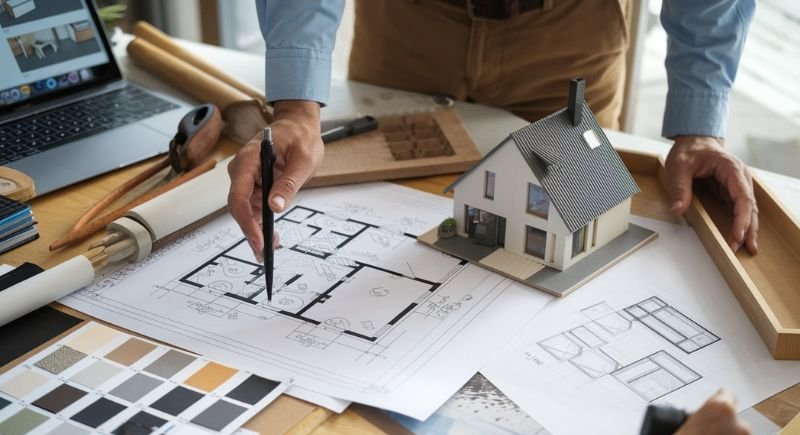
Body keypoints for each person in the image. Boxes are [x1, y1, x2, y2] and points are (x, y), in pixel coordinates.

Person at [228, 0, 759, 262]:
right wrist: (297, 106)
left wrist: (699, 122)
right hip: (409, 23)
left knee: (581, 200)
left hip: (572, 29)